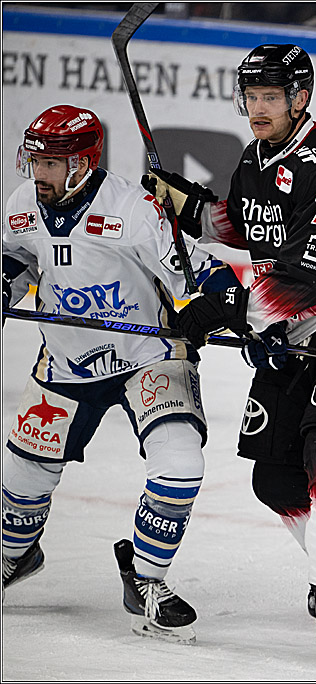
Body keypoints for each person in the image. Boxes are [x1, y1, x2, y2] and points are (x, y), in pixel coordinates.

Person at [143, 44, 316, 660]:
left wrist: (223, 310)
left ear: (300, 99)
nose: (257, 109)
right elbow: (246, 227)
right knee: (274, 475)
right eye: (251, 97)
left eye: (270, 97)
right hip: (301, 324)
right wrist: (185, 205)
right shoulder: (255, 157)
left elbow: (304, 276)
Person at [1, 104, 240, 643]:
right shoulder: (23, 204)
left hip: (148, 356)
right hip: (67, 359)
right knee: (20, 484)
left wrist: (216, 299)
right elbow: (16, 259)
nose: (38, 173)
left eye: (52, 163)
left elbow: (200, 271)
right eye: (34, 160)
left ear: (83, 164)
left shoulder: (133, 210)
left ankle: (148, 578)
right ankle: (13, 557)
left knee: (179, 464)